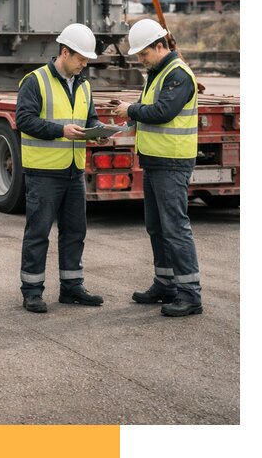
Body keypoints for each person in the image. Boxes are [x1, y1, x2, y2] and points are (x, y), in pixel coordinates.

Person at [113, 18, 203, 317]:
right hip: (154, 162)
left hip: (172, 163)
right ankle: (165, 284)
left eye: (144, 54)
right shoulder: (158, 72)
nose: (141, 59)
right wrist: (129, 122)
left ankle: (190, 294)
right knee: (157, 226)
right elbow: (150, 109)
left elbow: (163, 112)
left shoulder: (178, 75)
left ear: (160, 46)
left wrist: (132, 109)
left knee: (175, 228)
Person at [17, 23, 105, 314]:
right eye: (81, 58)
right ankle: (32, 291)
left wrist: (99, 130)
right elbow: (25, 120)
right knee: (38, 233)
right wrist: (60, 131)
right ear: (64, 52)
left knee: (75, 232)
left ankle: (72, 288)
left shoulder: (84, 85)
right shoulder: (36, 81)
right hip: (43, 173)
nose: (84, 64)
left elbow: (89, 118)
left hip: (73, 171)